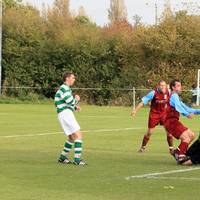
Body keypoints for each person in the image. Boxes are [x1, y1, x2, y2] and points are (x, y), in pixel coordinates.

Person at [131, 80, 174, 153]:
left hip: (164, 114)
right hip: (154, 114)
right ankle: (142, 147)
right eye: (161, 85)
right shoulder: (153, 93)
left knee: (169, 132)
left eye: (164, 85)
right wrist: (135, 110)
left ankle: (171, 149)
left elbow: (174, 101)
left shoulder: (169, 92)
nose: (163, 87)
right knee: (149, 132)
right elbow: (143, 102)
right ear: (158, 86)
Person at [164, 79, 200, 164]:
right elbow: (178, 108)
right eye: (178, 86)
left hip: (174, 121)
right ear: (173, 87)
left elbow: (187, 108)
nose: (181, 88)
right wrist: (186, 114)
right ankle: (180, 156)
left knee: (191, 135)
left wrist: (198, 111)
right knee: (186, 138)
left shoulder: (177, 98)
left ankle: (177, 152)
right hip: (171, 122)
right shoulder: (174, 96)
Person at [54, 72, 87, 166]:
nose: (74, 79)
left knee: (71, 137)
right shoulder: (65, 88)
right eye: (73, 78)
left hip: (63, 114)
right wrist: (76, 99)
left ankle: (62, 158)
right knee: (78, 135)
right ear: (67, 78)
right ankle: (77, 160)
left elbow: (67, 102)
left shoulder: (65, 88)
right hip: (65, 114)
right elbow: (70, 101)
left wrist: (76, 106)